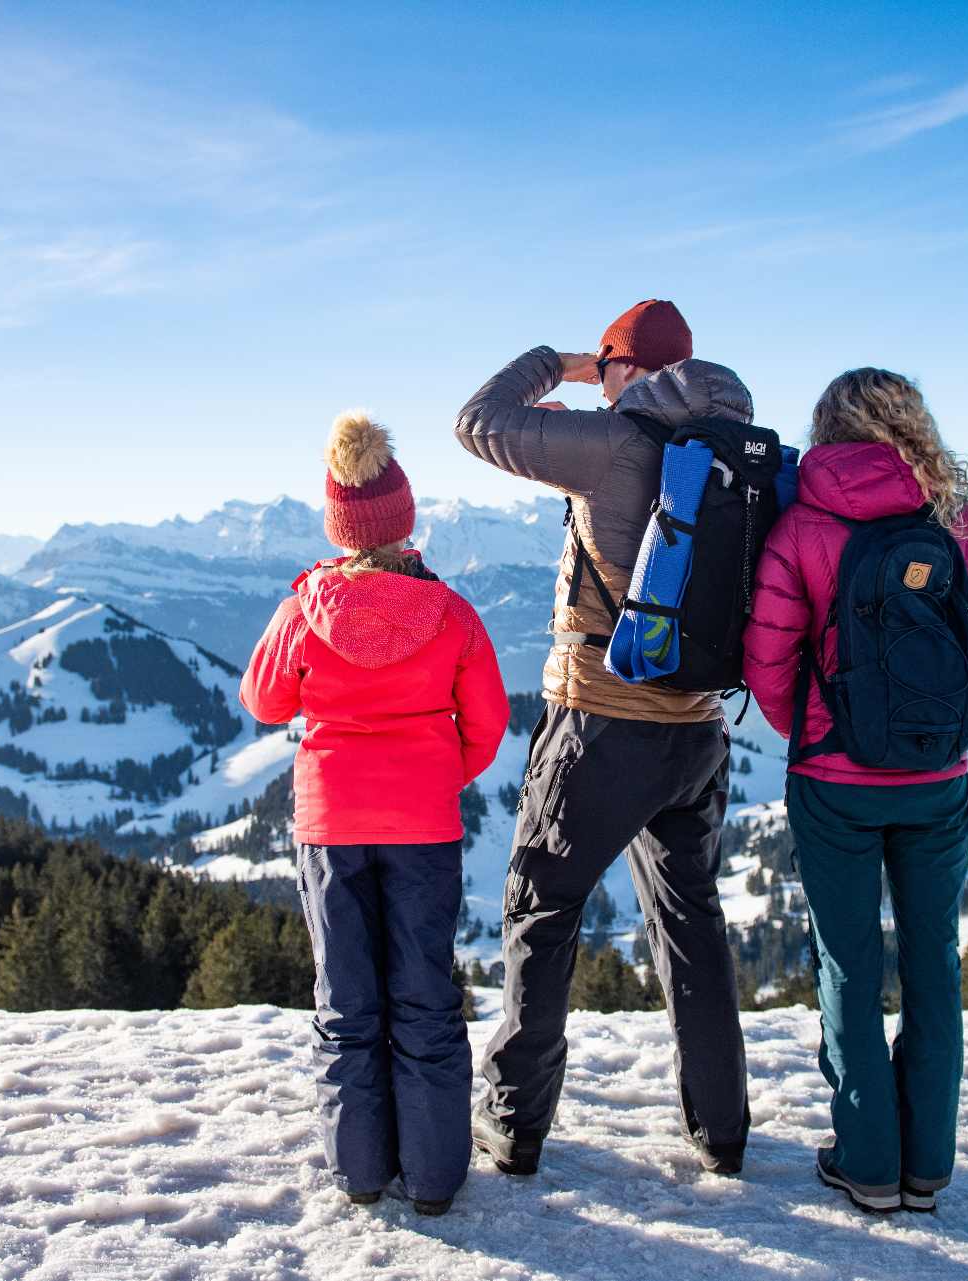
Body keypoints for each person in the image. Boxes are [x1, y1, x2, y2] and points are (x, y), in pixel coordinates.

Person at [453, 300, 751, 1177]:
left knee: (541, 909)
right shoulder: (739, 449)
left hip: (601, 723)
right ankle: (722, 1128)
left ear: (626, 368)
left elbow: (477, 423)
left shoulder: (616, 442)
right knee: (691, 920)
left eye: (613, 363)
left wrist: (561, 362)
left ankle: (514, 1124)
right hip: (697, 729)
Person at [742, 368, 968, 1215]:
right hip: (938, 783)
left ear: (829, 427)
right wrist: (934, 729)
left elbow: (768, 662)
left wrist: (822, 733)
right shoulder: (959, 520)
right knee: (934, 961)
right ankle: (927, 1165)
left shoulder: (804, 524)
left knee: (849, 963)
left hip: (834, 784)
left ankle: (866, 1160)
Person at [240, 410, 509, 1216]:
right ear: (405, 518)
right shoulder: (453, 614)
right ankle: (433, 1178)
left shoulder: (306, 609)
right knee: (424, 994)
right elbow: (489, 724)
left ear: (339, 523)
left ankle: (359, 1170)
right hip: (423, 825)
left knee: (347, 997)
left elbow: (262, 697)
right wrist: (436, 774)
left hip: (331, 825)